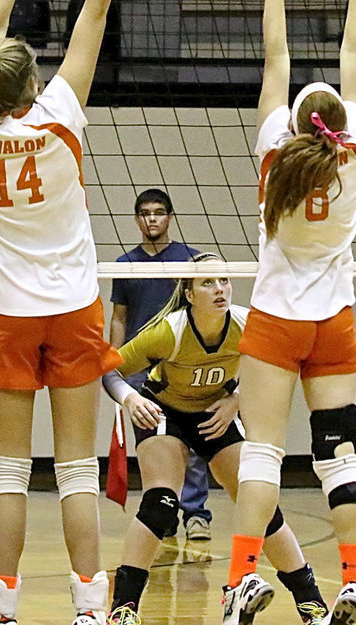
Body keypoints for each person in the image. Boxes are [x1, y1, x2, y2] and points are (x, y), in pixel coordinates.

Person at [0, 0, 141, 625]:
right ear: (32, 84)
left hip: (6, 312)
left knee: (5, 472)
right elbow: (93, 12)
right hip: (71, 310)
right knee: (73, 471)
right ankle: (90, 610)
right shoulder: (61, 115)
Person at [221, 0, 356, 625]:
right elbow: (354, 55)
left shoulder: (273, 154)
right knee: (337, 452)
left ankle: (240, 583)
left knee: (260, 452)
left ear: (292, 126)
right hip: (333, 324)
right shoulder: (352, 151)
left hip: (276, 319)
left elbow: (274, 60)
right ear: (336, 124)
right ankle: (351, 583)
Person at [103, 254, 330, 625]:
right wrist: (131, 398)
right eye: (208, 283)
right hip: (165, 413)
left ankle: (312, 605)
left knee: (260, 502)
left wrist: (236, 400)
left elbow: (276, 368)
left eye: (224, 280)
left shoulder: (245, 324)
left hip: (215, 414)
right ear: (189, 294)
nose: (219, 289)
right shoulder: (170, 331)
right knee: (160, 504)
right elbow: (109, 369)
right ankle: (123, 609)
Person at [109, 188, 213, 540]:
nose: (152, 218)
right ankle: (164, 513)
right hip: (141, 369)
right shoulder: (125, 265)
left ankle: (196, 514)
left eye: (158, 212)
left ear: (170, 217)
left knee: (193, 442)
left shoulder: (191, 260)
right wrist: (113, 360)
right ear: (137, 219)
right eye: (145, 213)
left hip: (183, 364)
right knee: (155, 444)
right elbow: (119, 317)